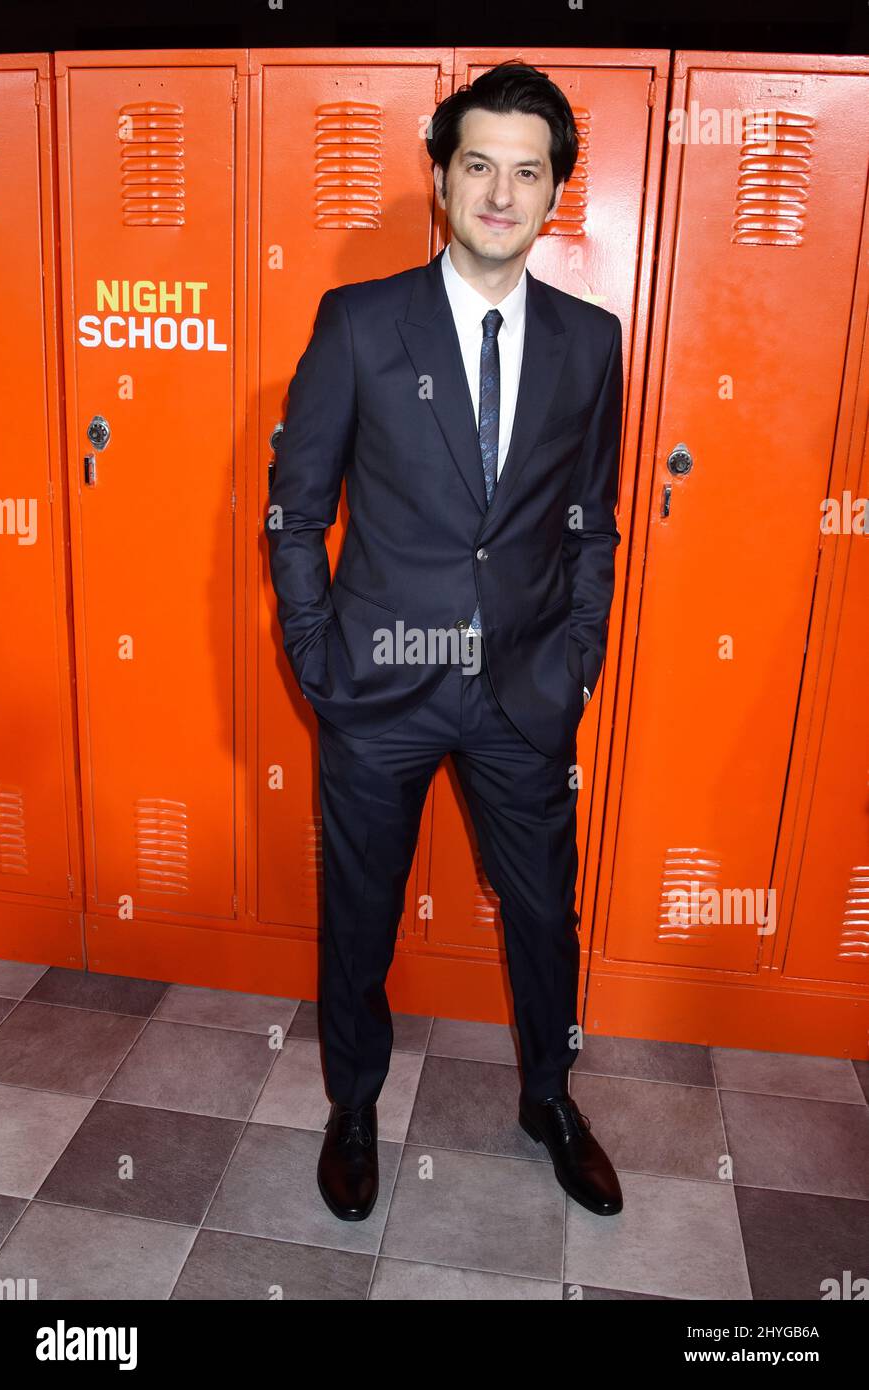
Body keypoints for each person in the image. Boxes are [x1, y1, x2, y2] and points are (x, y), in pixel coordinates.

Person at [267, 60, 624, 1223]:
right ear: (440, 179)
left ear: (555, 195)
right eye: (480, 164)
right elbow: (298, 506)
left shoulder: (590, 341)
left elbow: (590, 517)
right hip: (379, 690)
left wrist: (578, 651)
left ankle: (549, 1098)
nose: (502, 192)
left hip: (524, 690)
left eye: (529, 172)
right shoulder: (362, 323)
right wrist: (320, 658)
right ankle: (354, 1106)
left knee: (543, 914)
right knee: (359, 912)